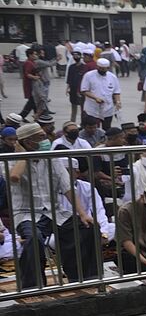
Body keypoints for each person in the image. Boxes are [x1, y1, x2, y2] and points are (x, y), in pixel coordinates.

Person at [7, 122, 87, 291]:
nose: (46, 140)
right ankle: (33, 286)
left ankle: (81, 277)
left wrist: (82, 213)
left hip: (54, 211)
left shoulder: (52, 159)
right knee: (32, 239)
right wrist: (24, 155)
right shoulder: (9, 161)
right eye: (41, 137)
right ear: (28, 142)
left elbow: (67, 188)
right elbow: (14, 177)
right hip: (26, 214)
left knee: (84, 227)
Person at [81, 58, 122, 129]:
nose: (102, 70)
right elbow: (84, 90)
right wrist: (95, 98)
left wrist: (118, 102)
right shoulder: (89, 75)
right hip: (92, 108)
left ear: (108, 68)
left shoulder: (112, 77)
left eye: (104, 69)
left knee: (107, 128)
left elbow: (116, 92)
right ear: (97, 67)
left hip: (108, 108)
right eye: (100, 68)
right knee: (93, 128)